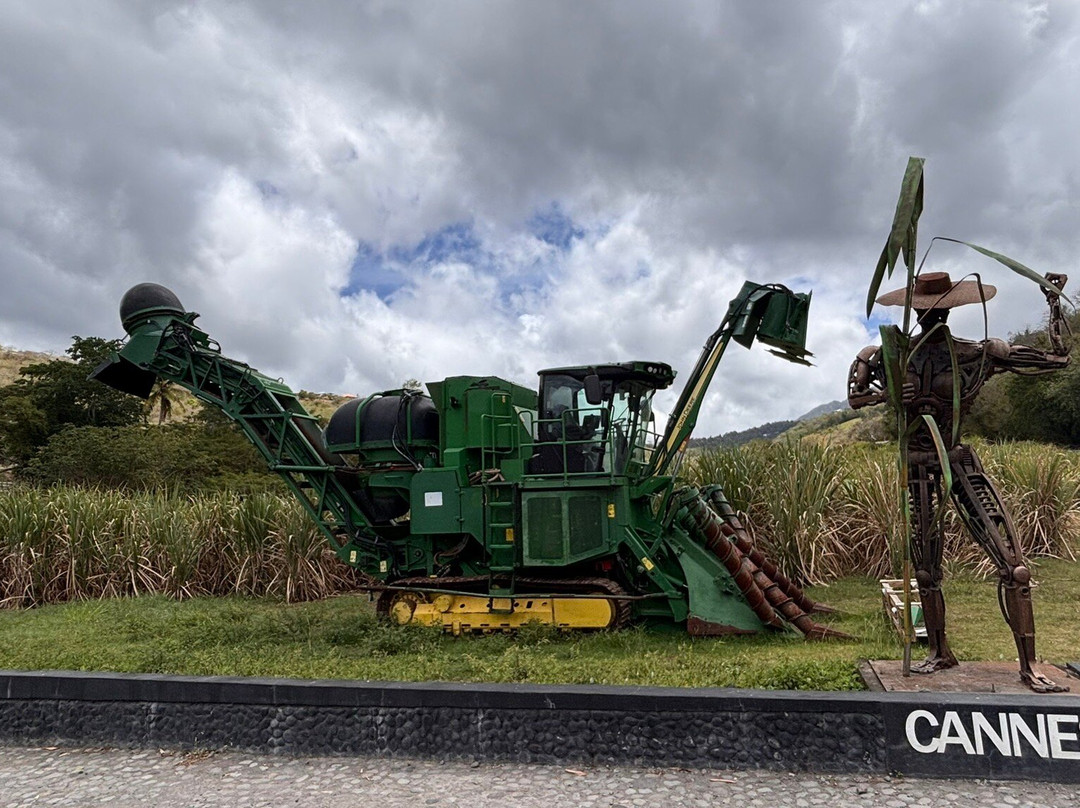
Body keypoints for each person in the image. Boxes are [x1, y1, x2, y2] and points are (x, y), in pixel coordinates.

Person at [848, 270, 1070, 693]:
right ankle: (939, 651)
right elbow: (856, 397)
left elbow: (1057, 360)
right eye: (924, 307)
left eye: (937, 307)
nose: (930, 314)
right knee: (927, 573)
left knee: (1014, 567)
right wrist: (893, 396)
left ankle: (1030, 667)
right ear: (913, 308)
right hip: (917, 465)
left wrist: (1054, 302)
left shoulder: (979, 354)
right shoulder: (886, 356)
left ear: (952, 308)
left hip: (957, 462)